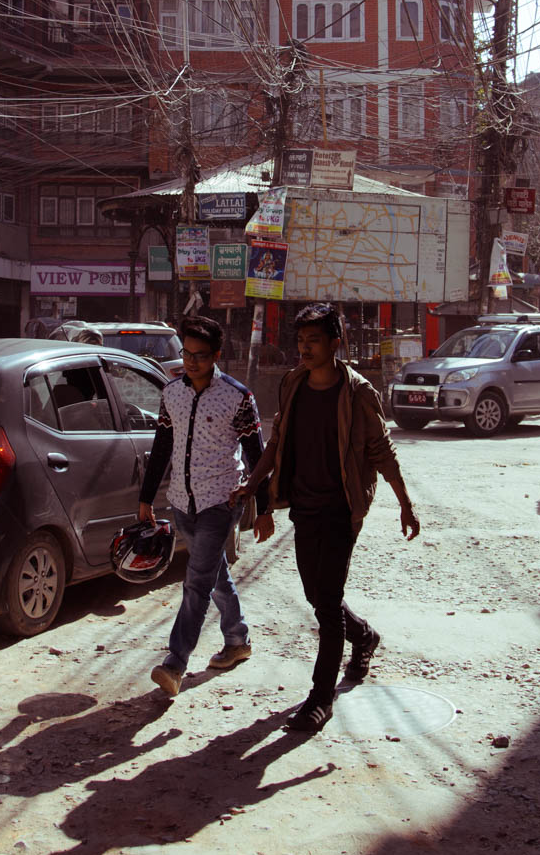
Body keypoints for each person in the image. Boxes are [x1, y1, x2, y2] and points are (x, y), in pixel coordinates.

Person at [237, 302, 420, 734]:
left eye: (313, 341)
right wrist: (253, 484)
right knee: (318, 596)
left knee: (326, 606)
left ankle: (321, 698)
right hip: (304, 507)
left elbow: (381, 450)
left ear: (335, 343)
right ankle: (364, 636)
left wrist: (405, 502)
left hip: (341, 509)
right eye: (300, 340)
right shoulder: (293, 383)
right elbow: (278, 438)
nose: (304, 348)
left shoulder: (357, 393)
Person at [138, 315, 264, 698]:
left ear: (217, 355)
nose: (191, 362)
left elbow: (257, 454)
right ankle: (237, 639)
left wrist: (266, 505)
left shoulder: (238, 396)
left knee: (195, 582)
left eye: (200, 355)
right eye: (186, 354)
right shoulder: (171, 393)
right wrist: (146, 497)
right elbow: (161, 446)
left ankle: (175, 663)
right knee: (213, 575)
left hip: (220, 502)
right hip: (181, 501)